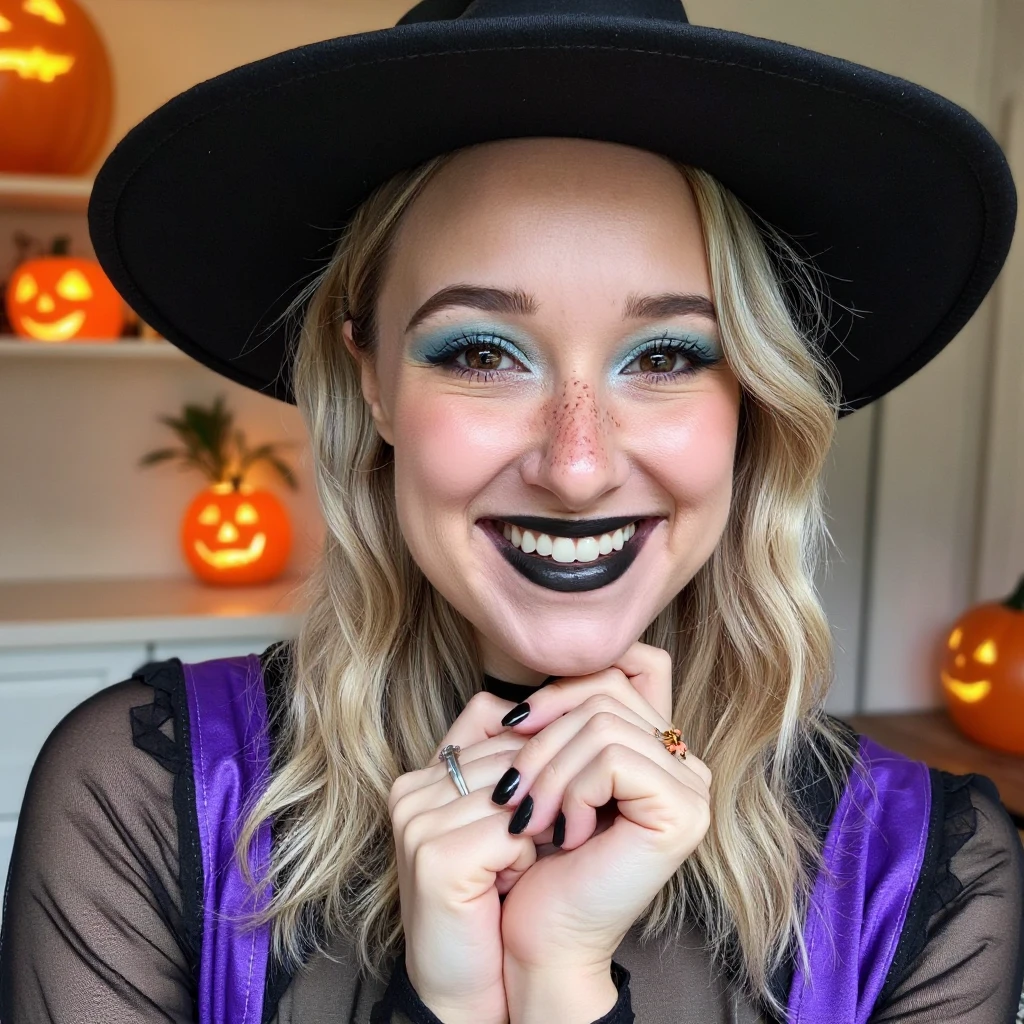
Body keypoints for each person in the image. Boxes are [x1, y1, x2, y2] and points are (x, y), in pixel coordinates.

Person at [2, 1, 1023, 1022]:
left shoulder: (930, 876)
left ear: (750, 397)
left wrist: (559, 978)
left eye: (665, 355)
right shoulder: (142, 801)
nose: (575, 468)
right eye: (481, 353)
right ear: (372, 378)